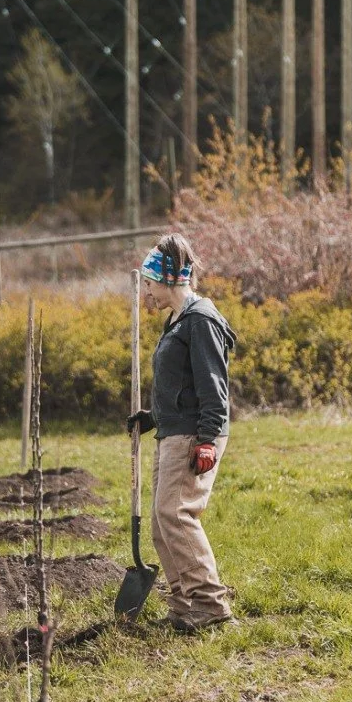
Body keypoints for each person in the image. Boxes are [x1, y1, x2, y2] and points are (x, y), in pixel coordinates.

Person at [127, 233, 237, 632]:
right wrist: (152, 416)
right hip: (174, 431)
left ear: (170, 280)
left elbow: (212, 388)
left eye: (150, 285)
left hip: (194, 435)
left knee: (176, 513)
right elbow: (181, 385)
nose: (147, 294)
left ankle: (209, 603)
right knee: (162, 520)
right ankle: (183, 603)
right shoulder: (176, 320)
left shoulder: (201, 320)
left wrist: (207, 439)